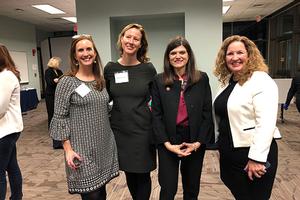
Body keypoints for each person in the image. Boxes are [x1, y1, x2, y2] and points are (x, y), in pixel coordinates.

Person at [50, 34, 119, 200]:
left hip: (103, 146)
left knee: (101, 193)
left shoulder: (100, 81)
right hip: (81, 150)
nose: (85, 53)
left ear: (95, 54)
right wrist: (67, 150)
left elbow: (104, 110)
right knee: (92, 194)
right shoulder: (67, 82)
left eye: (89, 49)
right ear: (75, 56)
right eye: (80, 50)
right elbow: (60, 117)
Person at [213, 35, 281, 200]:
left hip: (252, 154)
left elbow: (266, 123)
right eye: (230, 54)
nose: (235, 58)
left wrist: (257, 159)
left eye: (240, 53)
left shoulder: (261, 80)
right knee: (239, 192)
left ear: (249, 55)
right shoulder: (227, 82)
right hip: (230, 152)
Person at [151, 36, 214, 200]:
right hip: (168, 140)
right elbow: (156, 115)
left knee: (192, 187)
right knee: (168, 188)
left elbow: (207, 114)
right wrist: (167, 144)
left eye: (182, 52)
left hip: (193, 139)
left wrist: (198, 143)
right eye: (173, 53)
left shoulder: (201, 78)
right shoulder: (159, 80)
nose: (177, 56)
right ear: (168, 57)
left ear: (189, 55)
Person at [104, 23, 157, 200]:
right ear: (121, 39)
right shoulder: (110, 68)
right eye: (128, 37)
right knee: (130, 173)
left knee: (142, 174)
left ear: (141, 44)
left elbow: (157, 101)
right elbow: (105, 99)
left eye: (136, 39)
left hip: (142, 131)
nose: (131, 41)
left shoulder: (148, 69)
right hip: (120, 131)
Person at [0, 43, 23, 200]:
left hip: (6, 130)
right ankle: (16, 196)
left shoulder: (6, 76)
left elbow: (0, 108)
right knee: (11, 165)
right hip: (8, 129)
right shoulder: (5, 75)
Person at [45, 56, 63, 149]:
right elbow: (49, 82)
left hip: (58, 95)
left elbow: (62, 80)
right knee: (51, 114)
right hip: (50, 96)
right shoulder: (48, 71)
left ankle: (57, 134)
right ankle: (51, 131)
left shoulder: (59, 71)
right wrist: (55, 81)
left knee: (58, 114)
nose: (59, 64)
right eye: (58, 63)